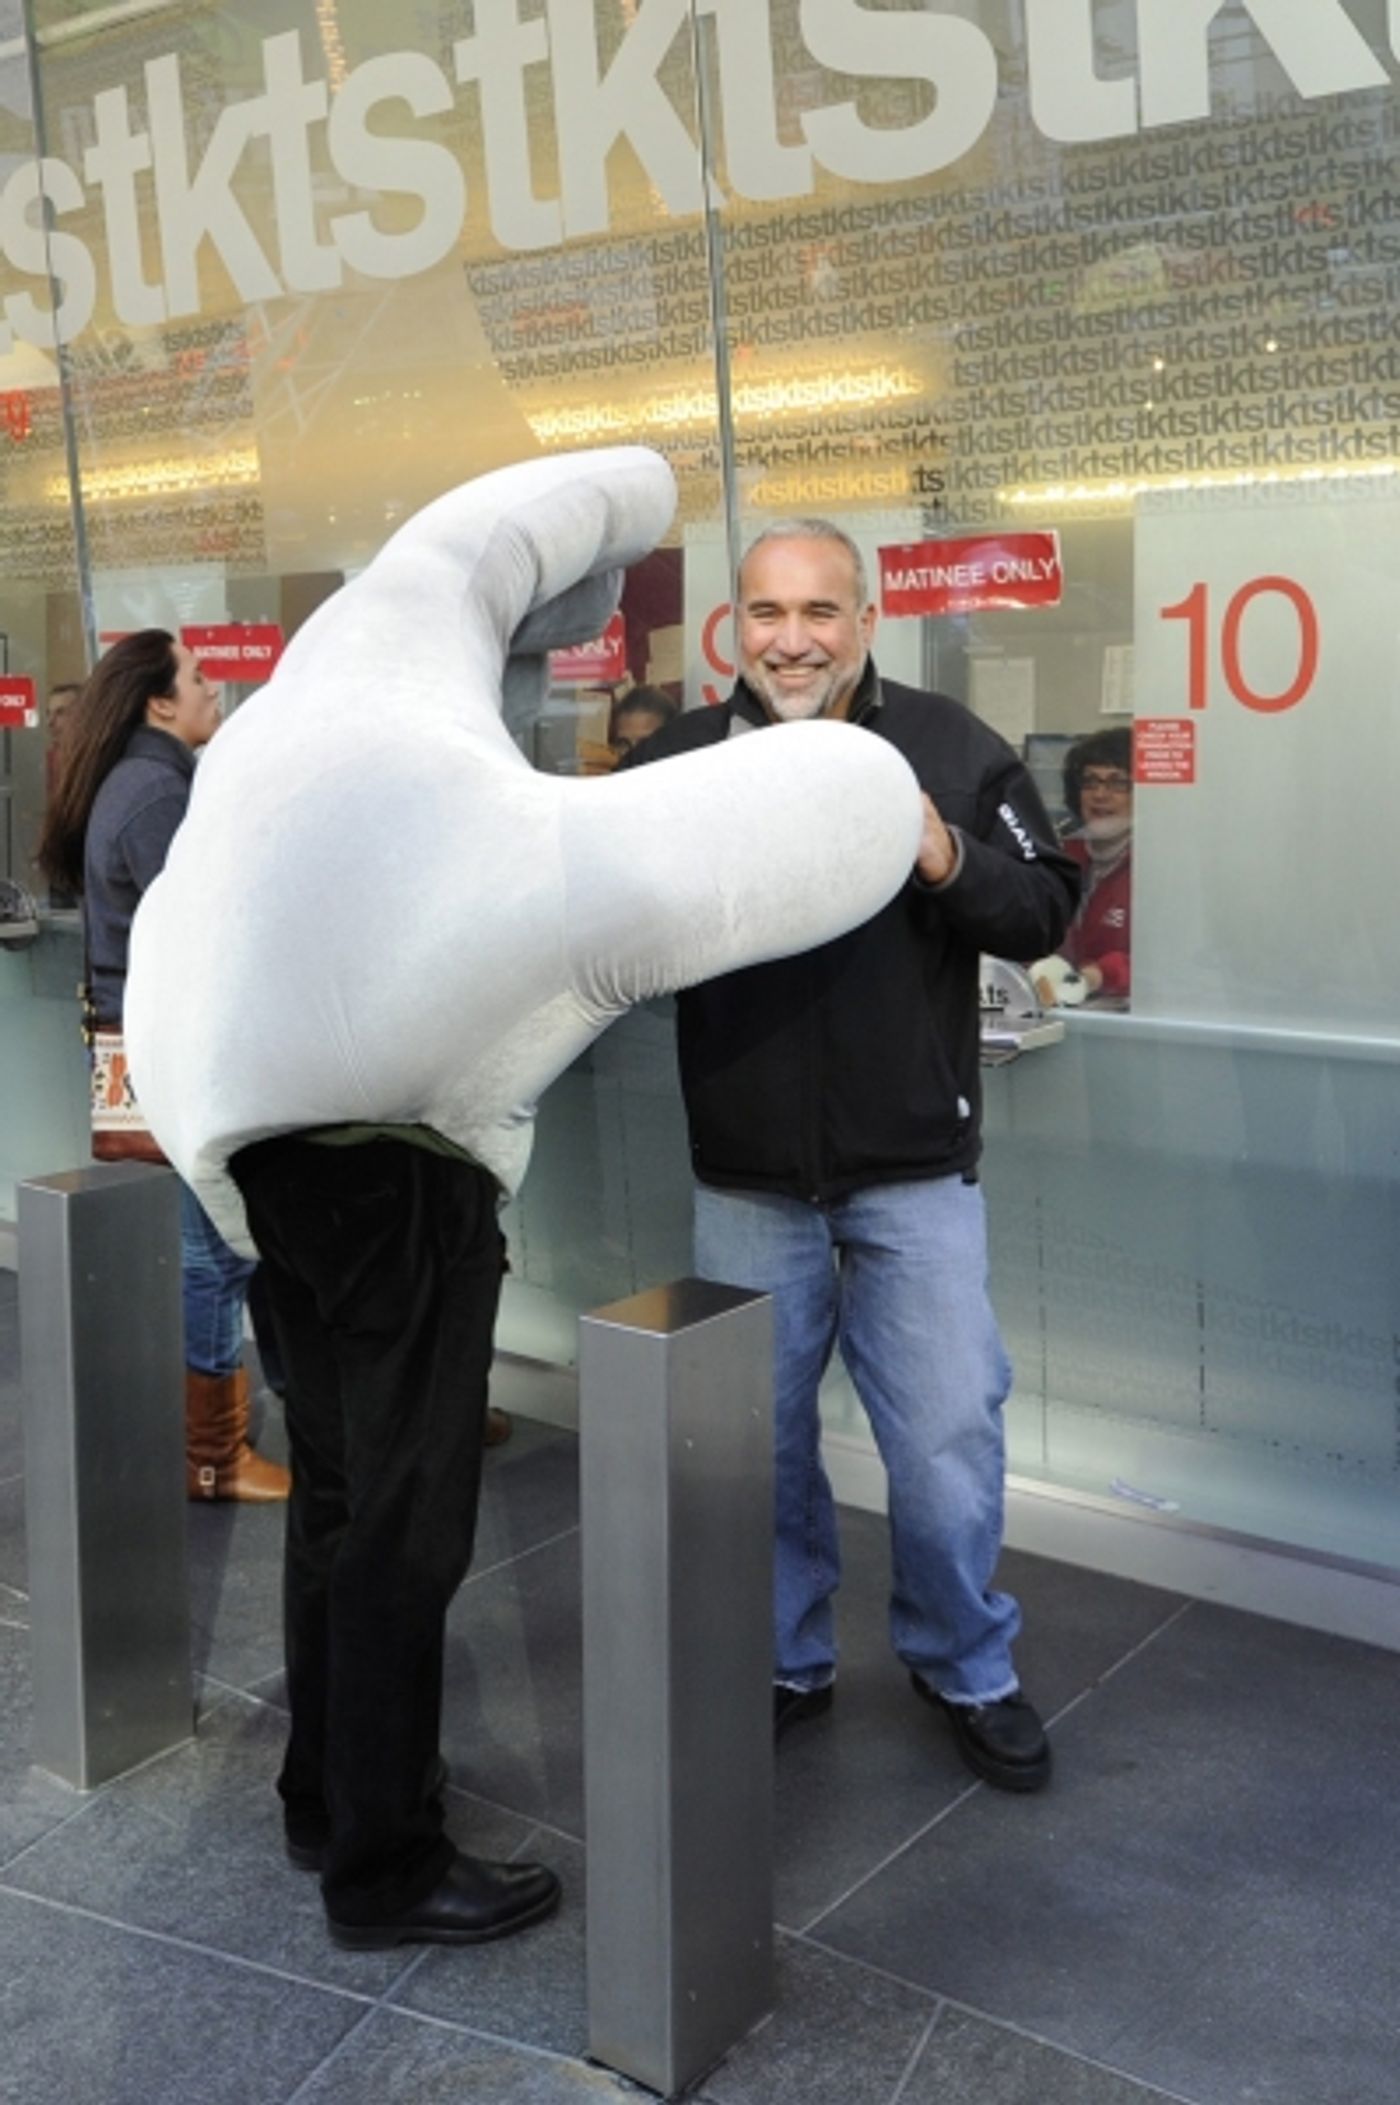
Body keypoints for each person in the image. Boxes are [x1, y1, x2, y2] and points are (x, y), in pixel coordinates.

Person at [623, 519, 1079, 1791]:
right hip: (747, 1180)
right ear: (735, 625)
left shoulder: (949, 745)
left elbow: (1045, 906)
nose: (791, 639)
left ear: (864, 621)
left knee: (942, 1440)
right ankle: (785, 1657)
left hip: (912, 1175)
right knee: (757, 1447)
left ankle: (963, 1661)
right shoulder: (674, 764)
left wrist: (943, 855)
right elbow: (602, 930)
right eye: (766, 612)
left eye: (818, 611)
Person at [36, 631, 289, 1504]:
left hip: (153, 1046)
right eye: (198, 676)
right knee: (211, 1252)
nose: (214, 687)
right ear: (158, 702)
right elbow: (208, 927)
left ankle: (235, 1431)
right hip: (173, 1051)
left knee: (225, 1243)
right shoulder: (154, 793)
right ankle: (210, 1455)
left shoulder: (140, 781)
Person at [1030, 727, 1133, 1008]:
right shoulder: (1063, 855)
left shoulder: (1156, 864)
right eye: (1090, 782)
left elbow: (1165, 960)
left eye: (1118, 783)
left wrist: (1098, 975)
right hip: (1066, 1009)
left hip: (1130, 1014)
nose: (1100, 794)